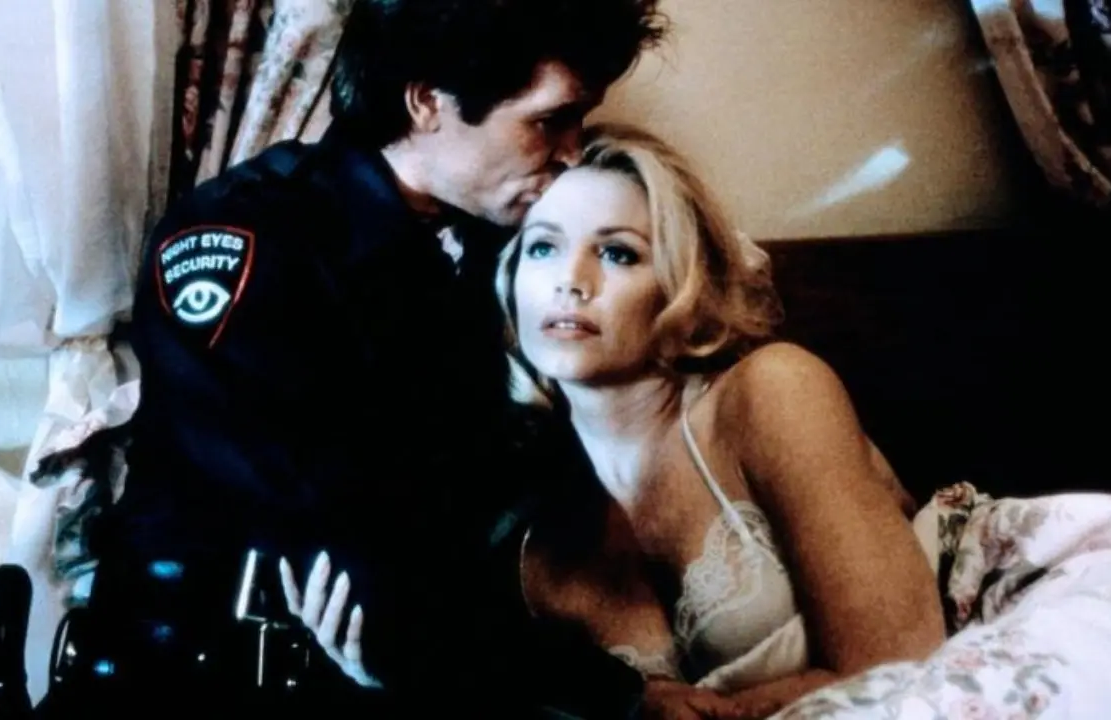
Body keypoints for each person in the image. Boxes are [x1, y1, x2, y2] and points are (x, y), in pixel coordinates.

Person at [40, 1, 684, 718]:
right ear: (426, 101)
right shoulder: (247, 239)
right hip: (194, 678)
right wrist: (615, 697)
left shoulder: (489, 246)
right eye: (549, 120)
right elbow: (345, 545)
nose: (571, 152)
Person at [488, 123, 947, 718]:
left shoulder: (771, 391)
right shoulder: (520, 516)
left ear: (680, 283)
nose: (570, 281)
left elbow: (899, 665)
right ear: (510, 279)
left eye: (618, 253)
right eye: (542, 247)